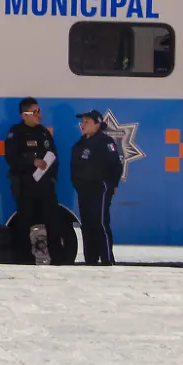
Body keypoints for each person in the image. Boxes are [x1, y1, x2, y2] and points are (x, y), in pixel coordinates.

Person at [4, 97, 68, 265]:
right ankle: (24, 259)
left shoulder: (43, 132)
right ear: (24, 115)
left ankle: (58, 258)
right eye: (34, 112)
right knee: (24, 222)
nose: (39, 115)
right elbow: (11, 158)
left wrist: (52, 179)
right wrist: (31, 162)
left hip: (45, 187)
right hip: (25, 186)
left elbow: (54, 157)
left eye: (39, 111)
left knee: (53, 221)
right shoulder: (15, 133)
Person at [70, 110, 123, 266]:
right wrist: (78, 184)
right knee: (86, 224)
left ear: (97, 124)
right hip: (83, 189)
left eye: (87, 122)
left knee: (99, 222)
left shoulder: (105, 142)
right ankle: (90, 259)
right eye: (82, 122)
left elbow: (116, 166)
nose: (83, 125)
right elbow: (74, 167)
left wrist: (112, 184)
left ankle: (107, 259)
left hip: (99, 188)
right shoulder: (79, 144)